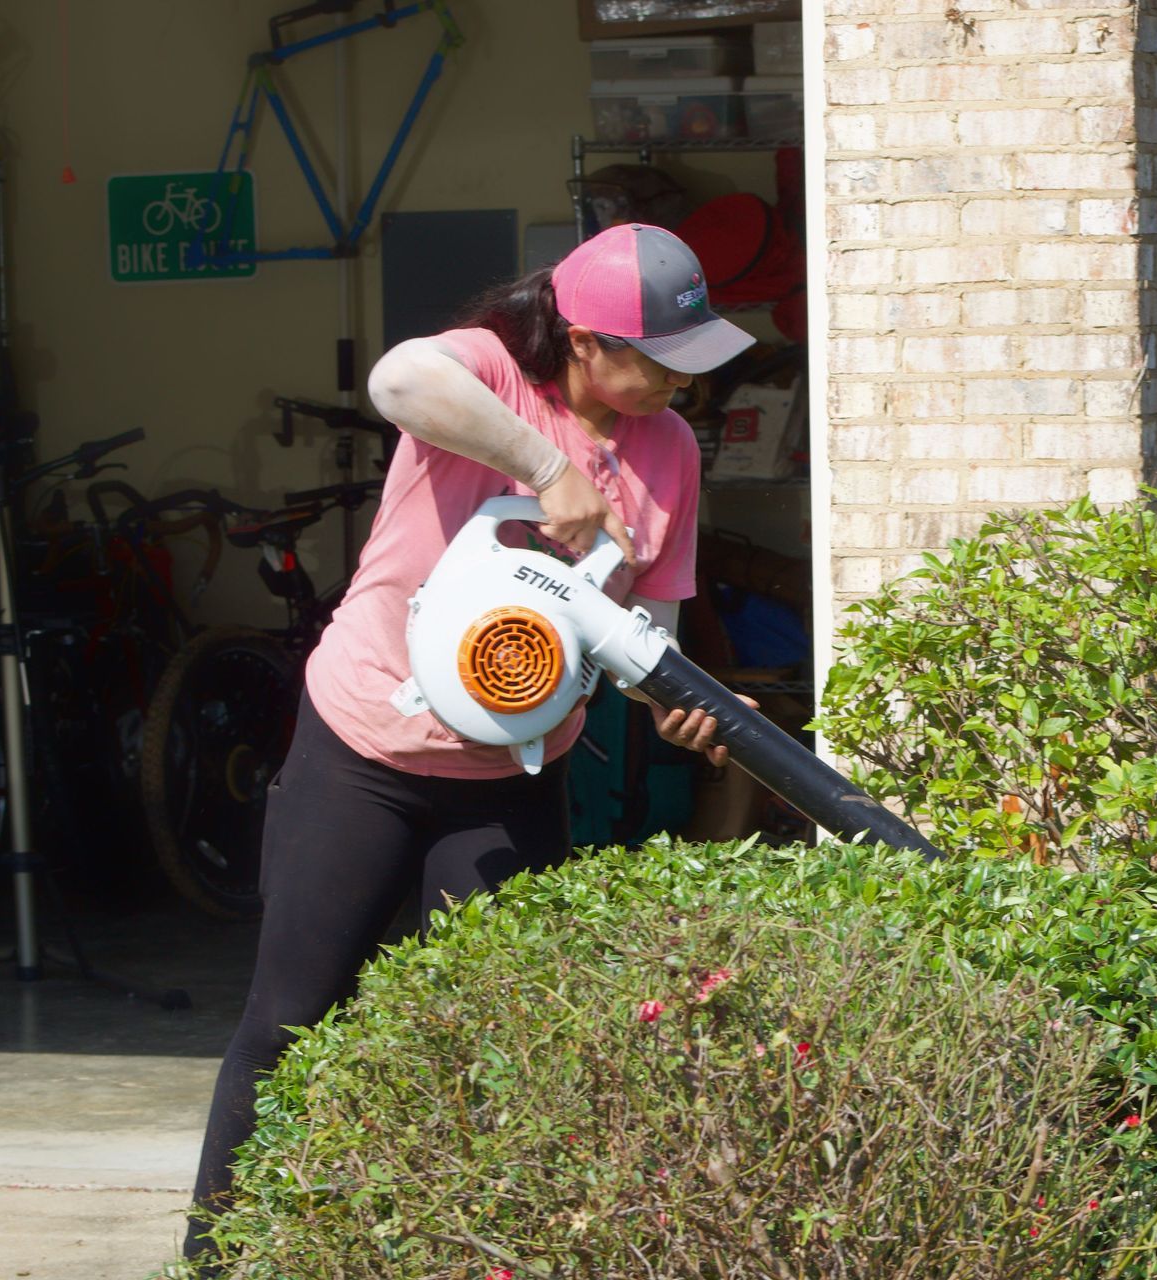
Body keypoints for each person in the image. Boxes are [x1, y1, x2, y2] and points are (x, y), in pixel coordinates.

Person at [181, 223, 757, 1263]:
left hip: (510, 776)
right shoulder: (491, 373)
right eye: (660, 360)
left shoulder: (668, 448)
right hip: (365, 749)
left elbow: (649, 634)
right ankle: (216, 1258)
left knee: (497, 1040)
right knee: (290, 1020)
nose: (683, 382)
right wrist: (547, 465)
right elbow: (398, 380)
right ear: (584, 341)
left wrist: (675, 703)